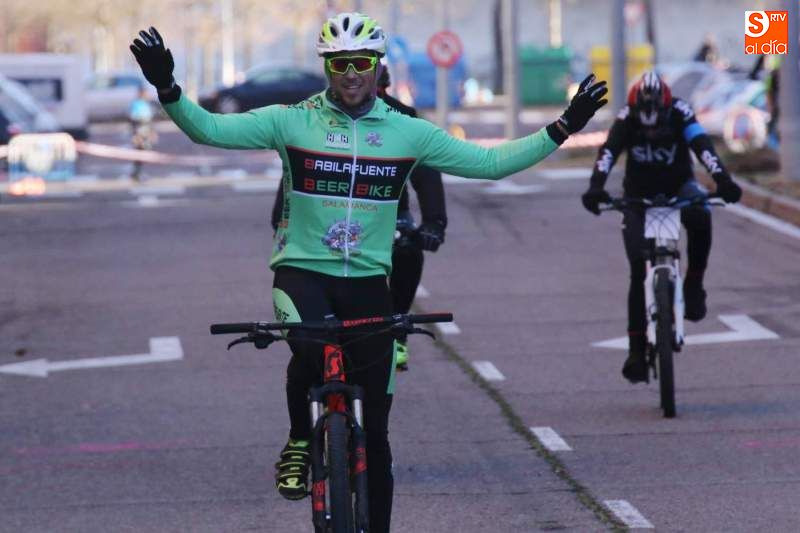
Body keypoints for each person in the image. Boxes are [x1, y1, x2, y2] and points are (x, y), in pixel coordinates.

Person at [130, 14, 607, 532]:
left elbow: (488, 163)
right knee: (312, 349)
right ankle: (299, 437)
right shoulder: (292, 120)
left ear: (378, 66)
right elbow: (210, 130)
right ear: (327, 67)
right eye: (340, 63)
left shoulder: (407, 132)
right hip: (301, 272)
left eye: (361, 62)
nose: (351, 73)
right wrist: (168, 87)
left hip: (367, 283)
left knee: (376, 438)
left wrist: (564, 127)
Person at [269, 64, 448, 371]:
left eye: (378, 92)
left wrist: (434, 222)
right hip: (325, 216)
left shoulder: (401, 117)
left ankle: (397, 334)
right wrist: (283, 219)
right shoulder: (318, 114)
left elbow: (426, 172)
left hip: (387, 212)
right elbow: (299, 169)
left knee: (408, 252)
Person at [581, 71, 742, 384]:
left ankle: (694, 285)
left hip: (678, 186)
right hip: (638, 195)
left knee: (701, 214)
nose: (652, 132)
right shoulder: (627, 117)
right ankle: (636, 350)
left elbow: (703, 145)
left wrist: (723, 179)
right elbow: (608, 153)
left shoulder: (681, 111)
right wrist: (595, 187)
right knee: (637, 268)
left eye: (659, 126)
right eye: (647, 126)